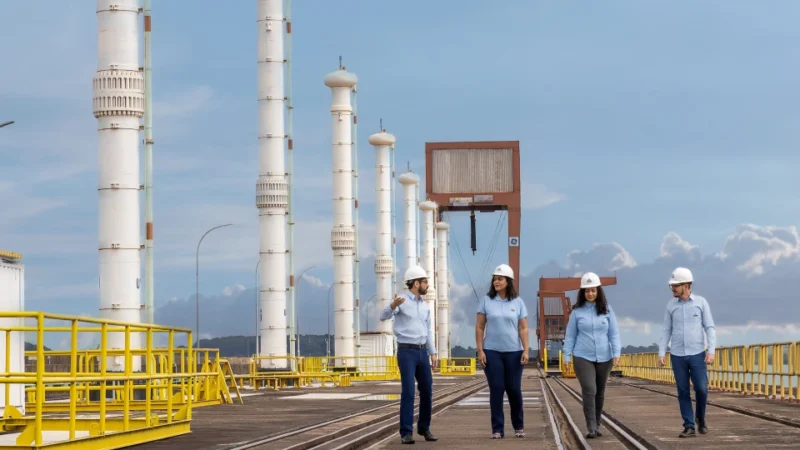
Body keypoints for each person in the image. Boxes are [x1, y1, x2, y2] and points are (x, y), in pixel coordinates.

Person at [379, 265, 438, 444]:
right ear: (416, 283)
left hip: (422, 352)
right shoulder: (402, 300)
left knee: (427, 390)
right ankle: (406, 432)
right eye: (425, 282)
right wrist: (392, 305)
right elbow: (383, 316)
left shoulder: (426, 307)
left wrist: (433, 353)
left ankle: (424, 427)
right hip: (406, 351)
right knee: (409, 392)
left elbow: (428, 331)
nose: (427, 285)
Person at [658, 267, 716, 438]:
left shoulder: (701, 303)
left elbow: (709, 328)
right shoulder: (670, 306)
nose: (673, 288)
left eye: (677, 285)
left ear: (687, 285)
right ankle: (689, 425)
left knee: (701, 389)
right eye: (672, 286)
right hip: (677, 355)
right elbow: (666, 330)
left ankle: (700, 417)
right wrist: (662, 353)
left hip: (698, 353)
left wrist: (711, 351)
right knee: (683, 391)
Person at [562, 272, 621, 439]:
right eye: (587, 291)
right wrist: (567, 356)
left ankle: (598, 423)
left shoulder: (607, 310)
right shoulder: (576, 312)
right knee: (589, 389)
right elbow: (570, 336)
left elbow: (614, 333)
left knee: (600, 392)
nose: (590, 294)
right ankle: (591, 426)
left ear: (598, 291)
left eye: (593, 290)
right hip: (582, 356)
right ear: (582, 292)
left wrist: (616, 353)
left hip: (605, 357)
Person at [475, 264, 529, 439]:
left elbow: (523, 328)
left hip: (514, 352)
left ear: (508, 281)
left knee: (514, 389)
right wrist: (480, 350)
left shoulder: (518, 302)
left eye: (500, 278)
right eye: (495, 279)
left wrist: (526, 350)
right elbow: (480, 326)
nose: (496, 281)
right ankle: (497, 429)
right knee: (497, 389)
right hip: (491, 351)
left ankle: (518, 426)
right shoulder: (486, 301)